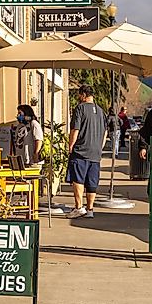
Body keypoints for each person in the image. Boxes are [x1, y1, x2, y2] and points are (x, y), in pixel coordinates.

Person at [66, 85, 107, 219]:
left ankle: (79, 207)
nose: (78, 97)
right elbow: (105, 132)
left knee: (78, 179)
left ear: (83, 95)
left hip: (81, 151)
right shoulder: (101, 111)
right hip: (95, 152)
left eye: (79, 95)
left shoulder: (80, 109)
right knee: (92, 182)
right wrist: (100, 147)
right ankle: (90, 209)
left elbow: (75, 129)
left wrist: (71, 145)